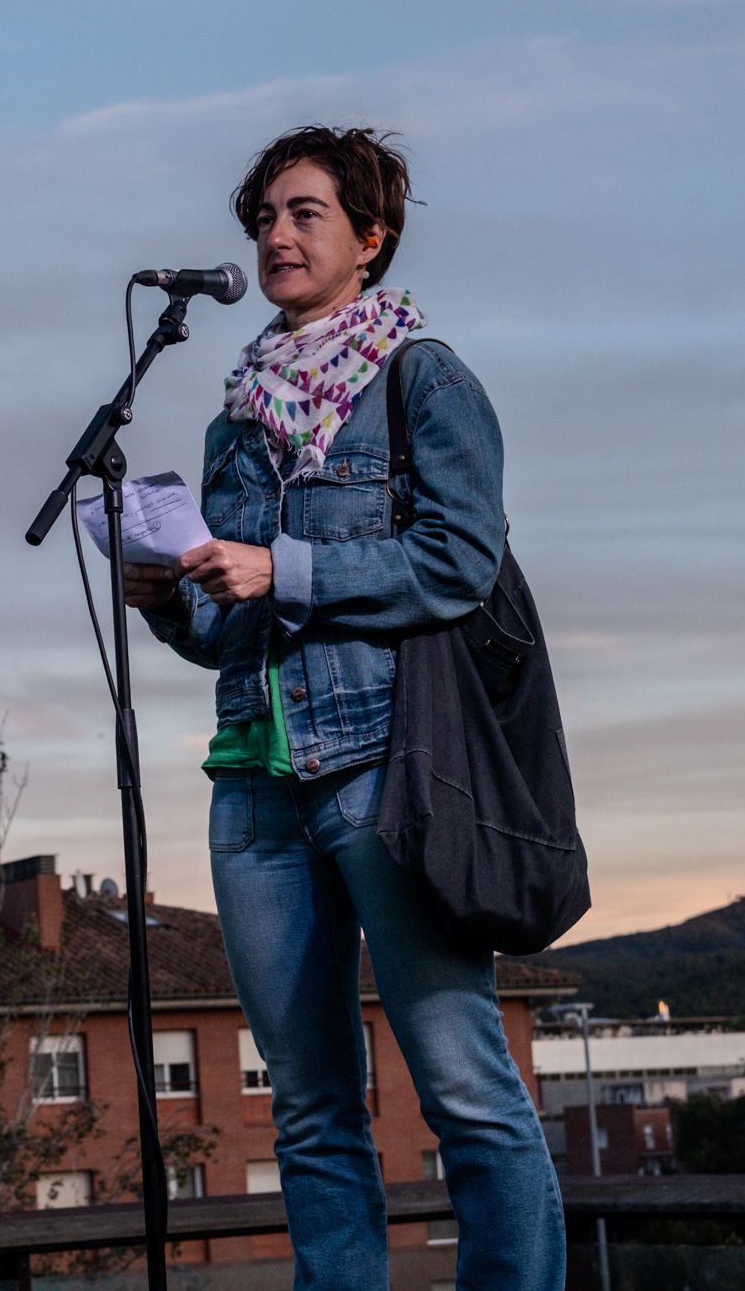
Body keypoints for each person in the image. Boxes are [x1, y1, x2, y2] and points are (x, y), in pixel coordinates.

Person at [127, 127, 565, 1290]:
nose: (274, 234)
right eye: (262, 217)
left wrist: (284, 567)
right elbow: (228, 626)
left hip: (382, 768)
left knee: (463, 1086)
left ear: (369, 238)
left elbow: (458, 562)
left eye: (302, 212)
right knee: (307, 1104)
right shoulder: (234, 420)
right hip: (252, 786)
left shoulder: (423, 380)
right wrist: (169, 600)